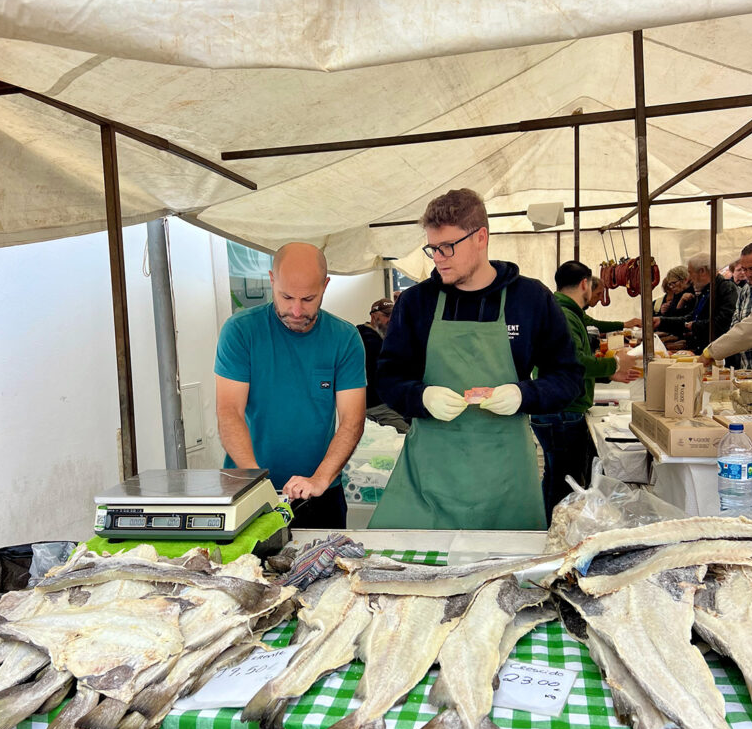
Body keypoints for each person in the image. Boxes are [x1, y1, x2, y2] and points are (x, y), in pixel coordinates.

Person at [369, 188, 583, 531]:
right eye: (432, 248)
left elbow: (568, 377)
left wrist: (523, 395)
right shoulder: (416, 303)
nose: (438, 258)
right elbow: (389, 378)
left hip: (505, 474)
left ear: (480, 237)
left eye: (448, 247)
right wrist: (420, 396)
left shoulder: (529, 299)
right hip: (431, 474)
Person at [214, 242, 366, 529]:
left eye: (308, 299)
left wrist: (320, 478)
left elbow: (352, 420)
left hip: (321, 494)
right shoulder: (240, 332)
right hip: (247, 491)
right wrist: (256, 481)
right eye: (286, 297)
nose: (296, 310)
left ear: (325, 285)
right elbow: (229, 412)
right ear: (272, 280)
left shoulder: (344, 338)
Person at [531, 261, 640, 524]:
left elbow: (583, 335)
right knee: (565, 480)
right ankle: (559, 533)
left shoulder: (564, 310)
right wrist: (614, 364)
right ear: (585, 284)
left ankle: (549, 527)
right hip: (562, 411)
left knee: (556, 475)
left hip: (556, 408)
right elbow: (574, 361)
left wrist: (607, 373)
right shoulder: (564, 316)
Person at [653, 254, 738, 354]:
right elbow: (692, 317)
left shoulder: (726, 288)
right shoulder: (705, 290)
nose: (688, 278)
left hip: (718, 354)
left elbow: (724, 322)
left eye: (690, 272)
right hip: (702, 351)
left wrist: (694, 326)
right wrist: (661, 321)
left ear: (702, 271)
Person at [700, 241, 752, 373]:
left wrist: (710, 352)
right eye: (745, 269)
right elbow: (736, 326)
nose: (748, 274)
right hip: (751, 375)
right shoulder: (745, 291)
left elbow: (748, 330)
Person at [357, 299, 410, 433]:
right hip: (376, 406)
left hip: (375, 404)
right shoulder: (368, 341)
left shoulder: (377, 337)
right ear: (374, 317)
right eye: (386, 316)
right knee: (408, 435)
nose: (391, 320)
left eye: (394, 315)